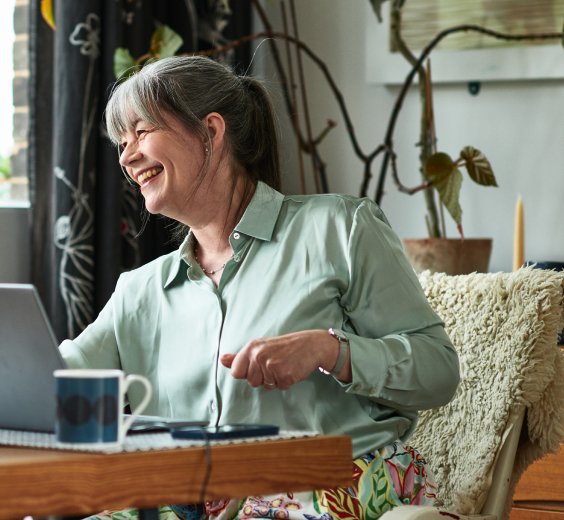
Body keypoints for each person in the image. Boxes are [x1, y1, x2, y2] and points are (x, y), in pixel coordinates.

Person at [59, 56, 460, 520]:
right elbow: (60, 376)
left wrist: (329, 351)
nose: (127, 158)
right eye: (122, 143)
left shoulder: (340, 227)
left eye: (142, 132)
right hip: (188, 502)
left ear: (210, 131)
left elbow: (438, 370)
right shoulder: (140, 290)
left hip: (329, 489)